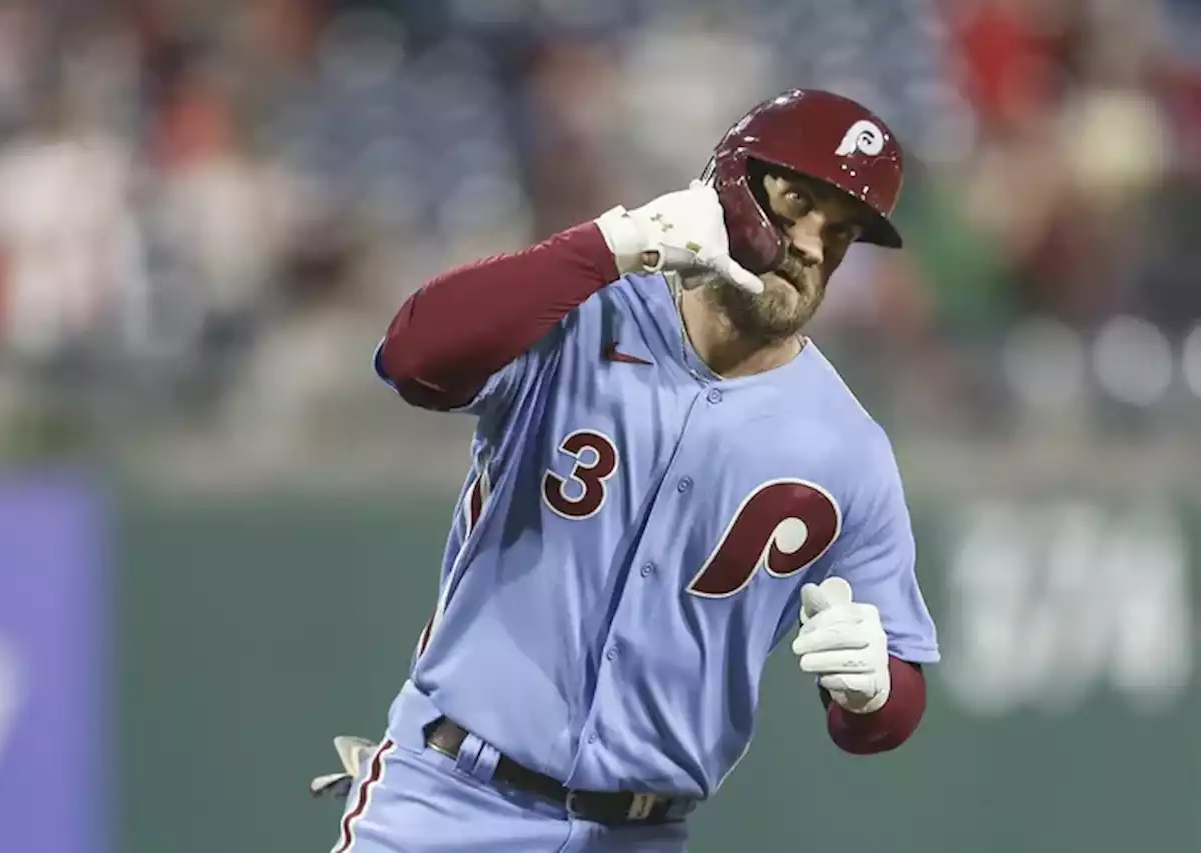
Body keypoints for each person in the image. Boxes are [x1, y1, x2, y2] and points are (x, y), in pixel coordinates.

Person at [319, 88, 940, 853]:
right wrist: (609, 246)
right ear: (728, 185)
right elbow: (410, 359)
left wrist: (871, 688)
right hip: (447, 794)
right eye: (794, 202)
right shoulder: (583, 313)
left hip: (638, 832)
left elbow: (891, 707)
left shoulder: (849, 449)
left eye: (840, 232)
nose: (812, 245)